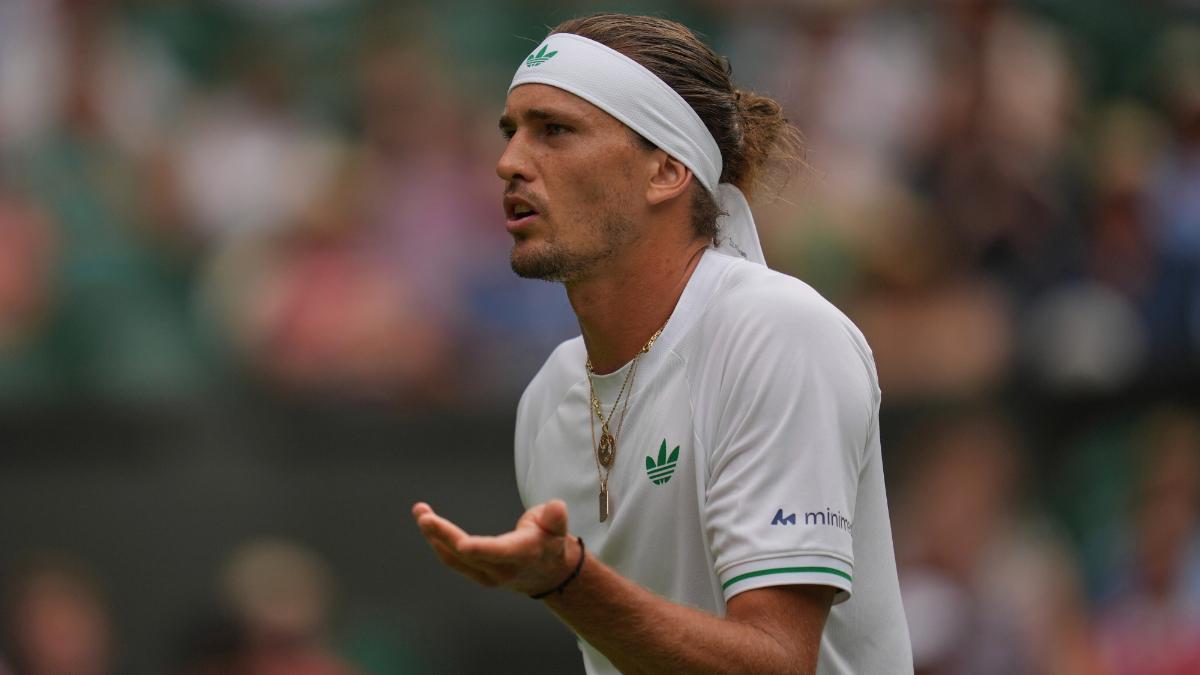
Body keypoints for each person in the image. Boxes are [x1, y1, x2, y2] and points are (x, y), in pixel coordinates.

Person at [413, 13, 912, 674]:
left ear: (666, 170)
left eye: (554, 130)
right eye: (511, 132)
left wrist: (568, 580)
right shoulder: (547, 402)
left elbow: (775, 662)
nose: (508, 162)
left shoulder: (778, 333)